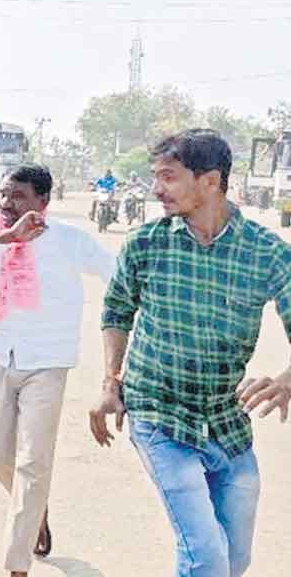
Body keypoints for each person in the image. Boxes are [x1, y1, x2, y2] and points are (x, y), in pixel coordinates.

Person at [90, 130, 291, 577]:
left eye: (168, 177)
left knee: (234, 560)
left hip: (226, 422)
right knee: (207, 558)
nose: (156, 189)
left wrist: (287, 379)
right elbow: (117, 311)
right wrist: (110, 382)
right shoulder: (145, 244)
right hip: (159, 415)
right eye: (154, 177)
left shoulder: (267, 253)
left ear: (210, 181)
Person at [0, 164, 115, 577]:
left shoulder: (68, 240)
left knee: (33, 461)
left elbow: (116, 272)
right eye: (4, 195)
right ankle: (35, 510)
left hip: (47, 361)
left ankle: (18, 564)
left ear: (43, 203)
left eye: (19, 197)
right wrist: (4, 237)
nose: (7, 204)